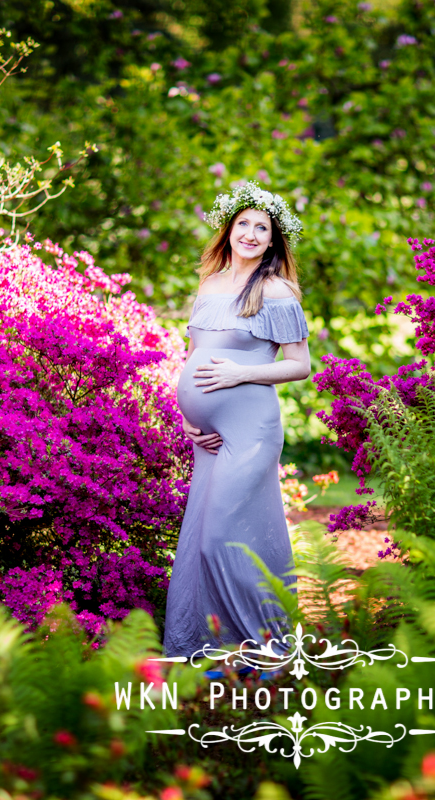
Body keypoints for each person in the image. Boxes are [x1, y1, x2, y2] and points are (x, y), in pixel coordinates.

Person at [162, 181, 310, 662]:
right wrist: (189, 418)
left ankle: (265, 649)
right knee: (200, 539)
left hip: (252, 430)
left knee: (220, 538)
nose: (250, 233)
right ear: (228, 230)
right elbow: (195, 356)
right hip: (207, 437)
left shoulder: (276, 290)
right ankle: (210, 648)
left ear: (273, 240)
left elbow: (300, 364)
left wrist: (241, 372)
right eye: (243, 223)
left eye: (261, 228)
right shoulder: (210, 283)